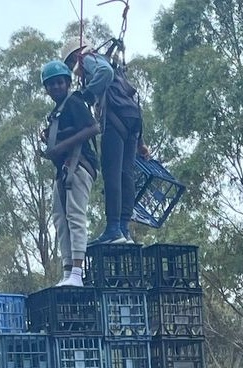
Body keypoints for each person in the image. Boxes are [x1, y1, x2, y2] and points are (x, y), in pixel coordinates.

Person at [61, 37, 149, 245]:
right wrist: (140, 142)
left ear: (74, 57)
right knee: (126, 175)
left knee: (112, 175)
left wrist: (87, 95)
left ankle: (113, 228)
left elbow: (104, 74)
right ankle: (124, 230)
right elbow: (128, 96)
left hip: (115, 120)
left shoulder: (88, 58)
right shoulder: (112, 64)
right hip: (132, 121)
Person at [40, 59, 100, 287]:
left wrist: (60, 146)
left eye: (59, 83)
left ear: (67, 82)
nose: (55, 87)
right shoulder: (56, 113)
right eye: (51, 84)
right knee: (60, 219)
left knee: (75, 215)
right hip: (63, 170)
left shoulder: (74, 102)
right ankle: (67, 271)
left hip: (79, 164)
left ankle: (77, 270)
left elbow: (94, 127)